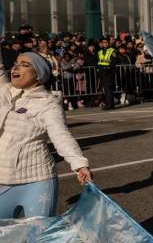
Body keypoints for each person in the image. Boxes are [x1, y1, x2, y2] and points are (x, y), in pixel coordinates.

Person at [0, 53, 92, 218]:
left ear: (39, 75)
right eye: (16, 63)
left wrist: (79, 164)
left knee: (39, 232)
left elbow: (60, 135)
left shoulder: (48, 104)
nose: (16, 67)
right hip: (3, 181)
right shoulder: (4, 91)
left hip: (38, 182)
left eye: (25, 65)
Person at [96, 37, 118, 110]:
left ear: (108, 43)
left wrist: (108, 68)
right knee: (105, 89)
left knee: (109, 89)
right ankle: (109, 104)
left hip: (109, 72)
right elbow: (99, 62)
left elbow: (114, 61)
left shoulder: (112, 50)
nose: (104, 44)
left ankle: (110, 105)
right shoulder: (100, 51)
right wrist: (99, 70)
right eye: (103, 42)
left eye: (106, 42)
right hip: (102, 72)